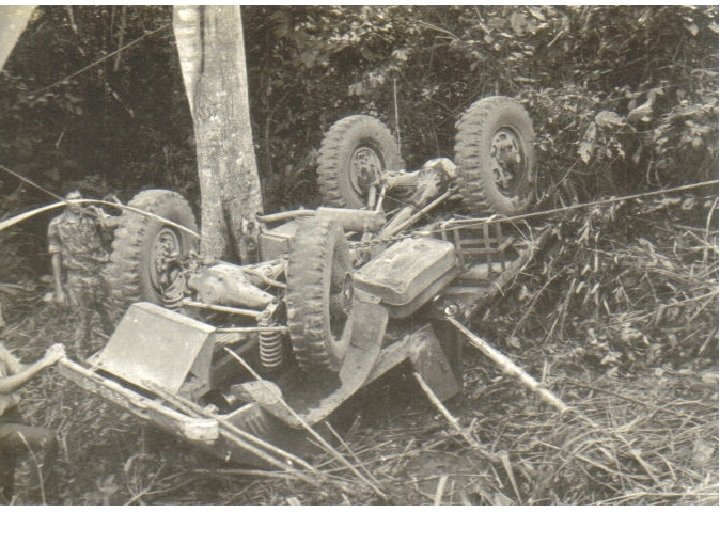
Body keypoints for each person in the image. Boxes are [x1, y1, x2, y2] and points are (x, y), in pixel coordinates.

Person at [48, 190, 118, 358]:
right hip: (77, 278)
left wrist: (117, 209)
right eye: (71, 199)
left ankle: (117, 350)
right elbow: (55, 257)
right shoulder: (56, 224)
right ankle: (83, 357)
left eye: (79, 198)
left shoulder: (92, 215)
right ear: (64, 201)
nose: (76, 202)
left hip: (100, 273)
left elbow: (113, 224)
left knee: (110, 315)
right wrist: (59, 290)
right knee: (83, 320)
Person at [0, 342, 64, 504]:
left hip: (9, 418)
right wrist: (44, 363)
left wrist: (46, 360)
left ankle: (36, 498)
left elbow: (19, 370)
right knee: (45, 441)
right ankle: (38, 499)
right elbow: (4, 387)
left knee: (5, 484)